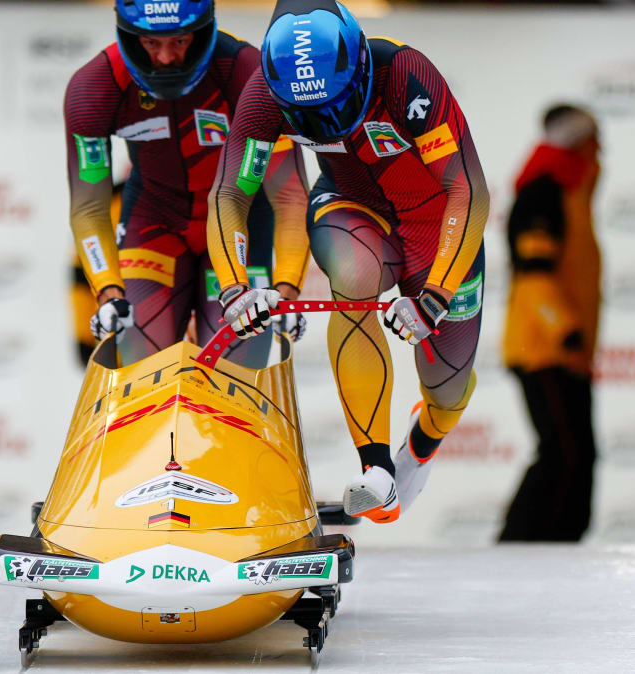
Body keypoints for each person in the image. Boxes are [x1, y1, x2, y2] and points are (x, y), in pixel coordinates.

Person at [207, 0, 488, 523]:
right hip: (351, 204)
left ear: (359, 65)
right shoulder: (265, 96)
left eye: (336, 104)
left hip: (436, 221)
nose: (326, 123)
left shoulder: (406, 75)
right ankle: (377, 470)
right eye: (309, 116)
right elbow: (229, 196)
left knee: (447, 390)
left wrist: (436, 296)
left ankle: (420, 446)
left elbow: (467, 191)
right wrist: (234, 288)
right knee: (353, 274)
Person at [65, 0, 310, 367]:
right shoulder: (94, 88)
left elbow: (290, 195)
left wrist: (286, 288)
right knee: (141, 366)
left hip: (238, 224)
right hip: (154, 222)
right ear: (130, 36)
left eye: (179, 41)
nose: (165, 58)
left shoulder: (247, 73)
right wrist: (108, 291)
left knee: (234, 375)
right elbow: (89, 206)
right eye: (151, 43)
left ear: (202, 31)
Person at [498, 104, 602, 542]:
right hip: (544, 347)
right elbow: (534, 273)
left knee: (573, 452)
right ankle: (527, 543)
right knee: (565, 452)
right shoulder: (544, 190)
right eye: (595, 140)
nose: (602, 152)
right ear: (578, 144)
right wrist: (565, 330)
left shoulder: (567, 191)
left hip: (562, 348)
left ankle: (555, 542)